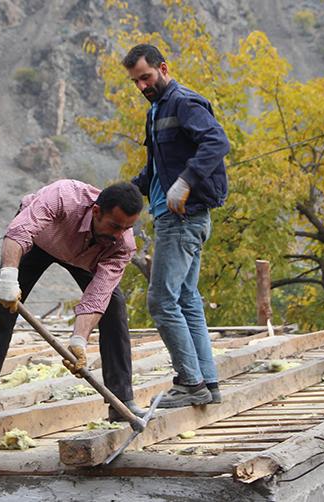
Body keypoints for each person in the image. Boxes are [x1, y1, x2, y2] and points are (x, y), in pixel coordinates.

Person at [0, 179, 146, 427]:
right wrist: (9, 277)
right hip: (38, 242)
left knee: (114, 309)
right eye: (115, 226)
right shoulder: (64, 196)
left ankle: (121, 401)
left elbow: (98, 295)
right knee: (1, 309)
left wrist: (79, 341)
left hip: (85, 257)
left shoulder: (120, 244)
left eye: (126, 228)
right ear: (96, 211)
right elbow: (20, 232)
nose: (119, 234)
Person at [123, 44, 230, 408]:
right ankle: (207, 382)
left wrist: (185, 183)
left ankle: (190, 383)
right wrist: (126, 190)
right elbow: (155, 168)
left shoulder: (184, 102)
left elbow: (217, 141)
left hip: (183, 218)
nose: (141, 86)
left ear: (163, 68)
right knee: (186, 299)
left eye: (146, 77)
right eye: (135, 81)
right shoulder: (156, 111)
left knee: (162, 300)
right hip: (173, 218)